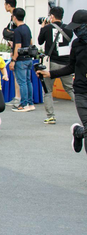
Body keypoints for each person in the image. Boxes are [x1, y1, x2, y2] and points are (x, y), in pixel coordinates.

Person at [36, 10, 87, 155]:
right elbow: (71, 67)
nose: (76, 31)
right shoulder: (77, 44)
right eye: (75, 28)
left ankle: (78, 132)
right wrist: (50, 74)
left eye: (79, 28)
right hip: (82, 92)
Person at [38, 6, 74, 124]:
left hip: (51, 63)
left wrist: (43, 27)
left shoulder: (47, 28)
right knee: (71, 89)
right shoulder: (69, 28)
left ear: (51, 16)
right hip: (66, 64)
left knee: (48, 90)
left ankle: (51, 116)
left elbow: (40, 41)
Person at [11, 7, 35, 112]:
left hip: (20, 59)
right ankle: (30, 103)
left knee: (22, 82)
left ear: (14, 17)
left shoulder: (17, 30)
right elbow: (31, 42)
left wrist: (13, 60)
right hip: (28, 58)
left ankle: (24, 104)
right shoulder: (27, 28)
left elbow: (18, 46)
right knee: (28, 81)